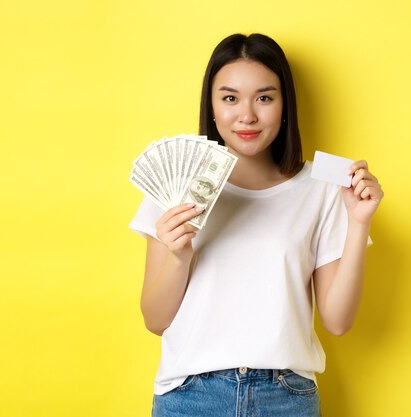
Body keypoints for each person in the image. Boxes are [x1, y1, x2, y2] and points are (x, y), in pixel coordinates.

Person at [129, 33, 384, 417]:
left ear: (285, 107)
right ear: (212, 106)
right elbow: (155, 320)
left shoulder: (321, 190)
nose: (246, 115)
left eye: (264, 97)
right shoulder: (174, 186)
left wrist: (359, 222)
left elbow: (338, 321)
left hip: (285, 397)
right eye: (230, 98)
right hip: (190, 396)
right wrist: (179, 256)